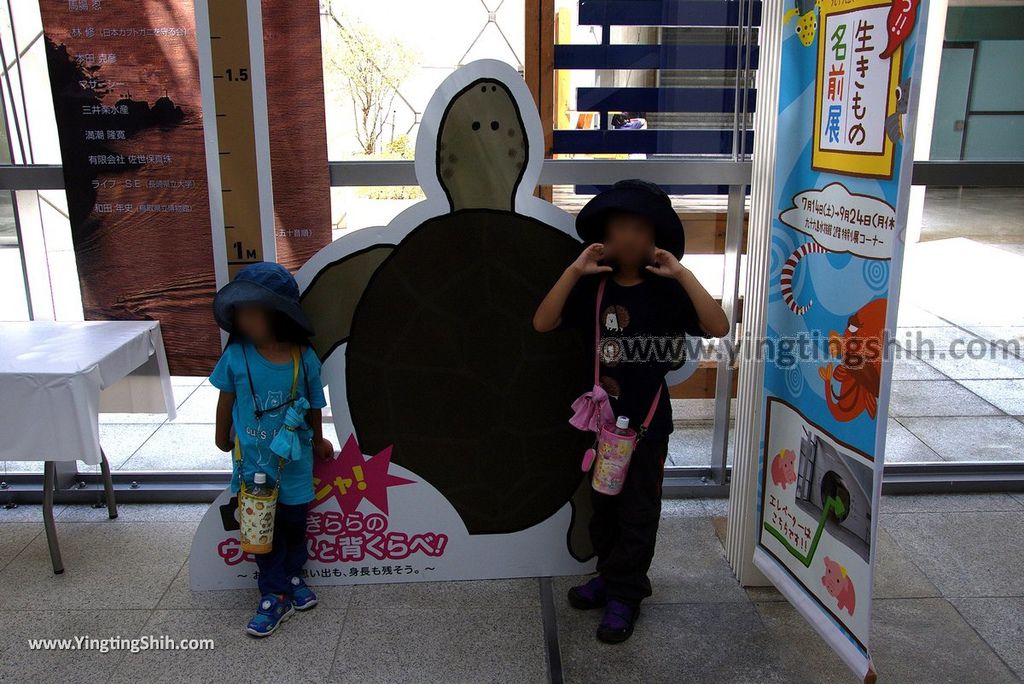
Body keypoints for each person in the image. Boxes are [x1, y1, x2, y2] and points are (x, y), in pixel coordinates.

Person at [533, 179, 729, 643]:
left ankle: (626, 594)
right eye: (620, 226)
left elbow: (717, 325)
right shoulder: (592, 288)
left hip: (647, 427)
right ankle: (609, 575)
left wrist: (681, 274)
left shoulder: (665, 291)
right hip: (601, 428)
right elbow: (543, 322)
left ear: (655, 238)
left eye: (641, 228)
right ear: (604, 233)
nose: (630, 236)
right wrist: (576, 270)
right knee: (603, 506)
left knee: (639, 509)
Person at [210, 262, 334, 637]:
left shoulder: (303, 358)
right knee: (262, 531)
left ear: (278, 314)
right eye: (240, 310)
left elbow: (314, 403)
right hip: (253, 468)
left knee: (296, 522)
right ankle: (273, 591)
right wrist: (221, 435)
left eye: (252, 310)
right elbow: (225, 400)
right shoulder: (236, 357)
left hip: (294, 466)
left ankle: (294, 573)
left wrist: (319, 437)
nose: (242, 318)